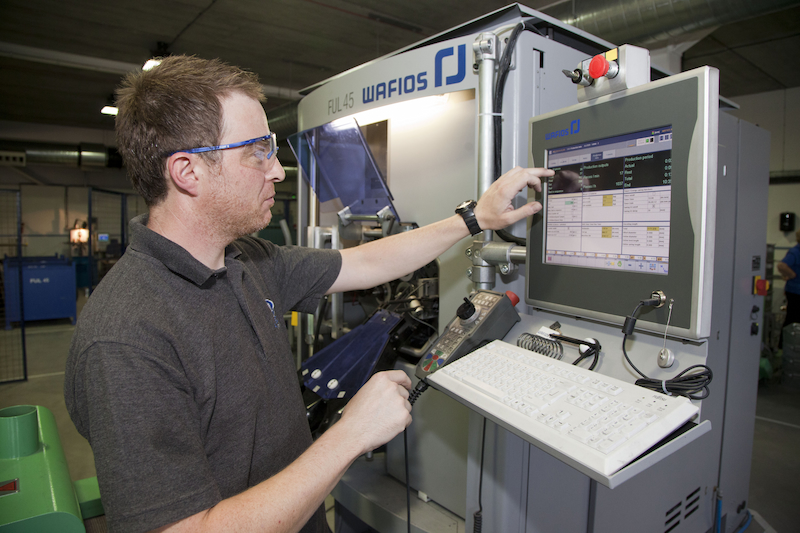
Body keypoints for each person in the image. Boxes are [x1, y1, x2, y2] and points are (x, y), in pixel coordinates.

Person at [64, 55, 553, 533]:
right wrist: (350, 435)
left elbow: (364, 263)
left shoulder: (248, 260)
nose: (277, 171)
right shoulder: (127, 338)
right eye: (256, 152)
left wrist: (473, 219)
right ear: (188, 172)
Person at [778, 229, 800, 346]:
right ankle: (783, 347)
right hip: (795, 292)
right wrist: (791, 274)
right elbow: (782, 265)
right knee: (792, 320)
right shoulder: (795, 251)